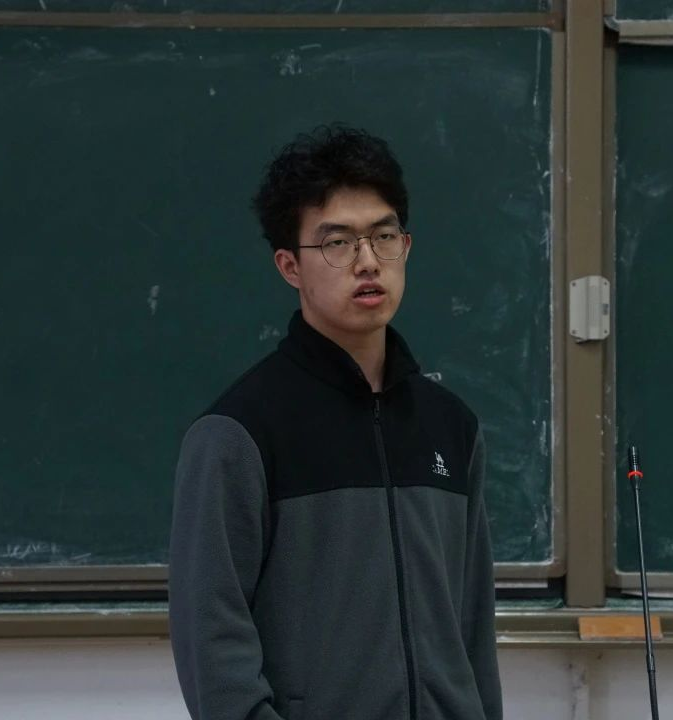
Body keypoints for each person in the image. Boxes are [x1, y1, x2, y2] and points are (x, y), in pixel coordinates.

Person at [168, 125, 503, 720]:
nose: (368, 261)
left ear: (406, 246)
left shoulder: (452, 427)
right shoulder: (237, 434)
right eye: (338, 243)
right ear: (289, 266)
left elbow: (473, 628)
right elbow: (211, 643)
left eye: (384, 236)